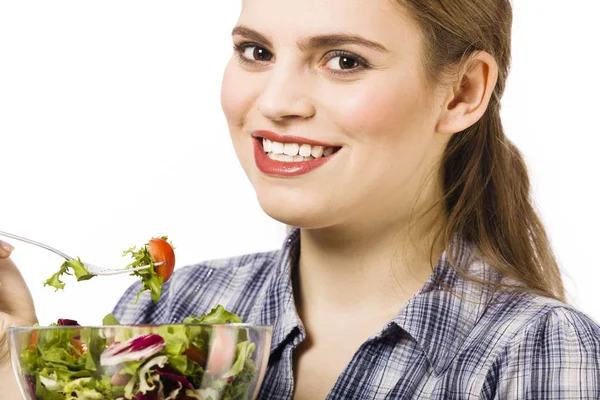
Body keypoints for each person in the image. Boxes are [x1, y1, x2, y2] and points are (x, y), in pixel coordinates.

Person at [1, 0, 599, 399]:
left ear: (462, 93)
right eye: (256, 52)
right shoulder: (169, 309)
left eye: (344, 61)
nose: (276, 101)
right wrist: (21, 376)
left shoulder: (531, 350)